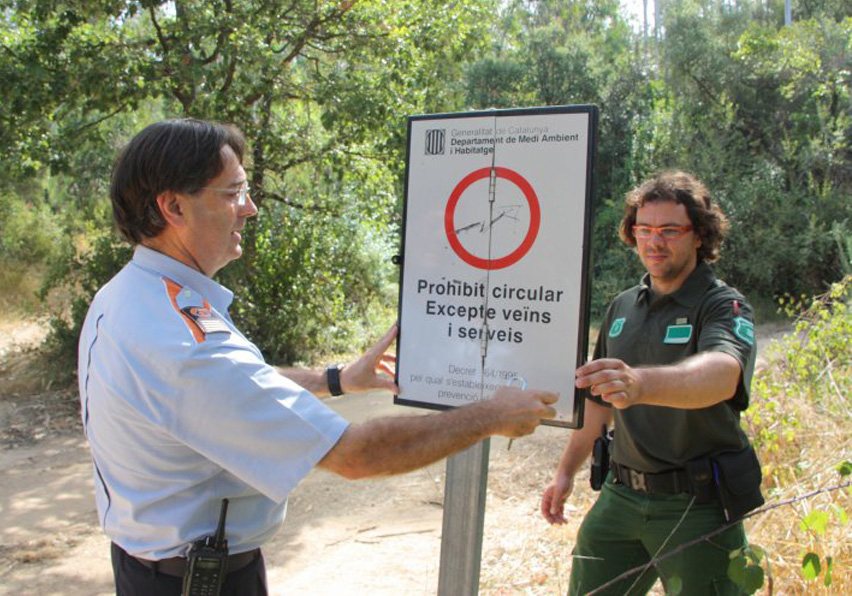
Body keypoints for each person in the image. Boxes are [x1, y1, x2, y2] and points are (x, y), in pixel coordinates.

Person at [78, 118, 558, 595]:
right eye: (232, 193)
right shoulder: (182, 342)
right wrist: (492, 415)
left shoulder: (130, 297)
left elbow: (241, 386)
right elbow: (357, 454)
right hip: (200, 582)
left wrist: (336, 380)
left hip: (154, 570)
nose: (250, 208)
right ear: (174, 206)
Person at [540, 171, 761, 595]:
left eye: (670, 230)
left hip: (697, 505)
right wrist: (566, 472)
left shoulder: (722, 305)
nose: (654, 242)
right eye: (644, 229)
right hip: (621, 498)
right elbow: (599, 401)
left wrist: (640, 383)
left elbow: (722, 373)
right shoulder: (623, 305)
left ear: (699, 235)